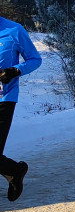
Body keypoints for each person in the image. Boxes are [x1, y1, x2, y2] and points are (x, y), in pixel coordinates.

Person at [0, 16, 42, 202]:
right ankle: (14, 170)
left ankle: (15, 172)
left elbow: (35, 59)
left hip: (4, 99)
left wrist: (14, 71)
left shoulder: (14, 30)